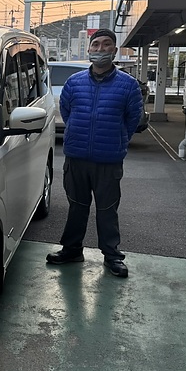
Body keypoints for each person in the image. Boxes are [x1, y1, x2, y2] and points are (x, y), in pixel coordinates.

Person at [46, 28, 144, 278]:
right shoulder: (74, 82)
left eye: (106, 44)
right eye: (96, 44)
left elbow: (132, 119)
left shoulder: (128, 85)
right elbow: (66, 112)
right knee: (76, 207)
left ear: (115, 50)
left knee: (107, 209)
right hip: (76, 157)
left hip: (108, 160)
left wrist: (117, 141)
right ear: (89, 49)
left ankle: (112, 256)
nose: (101, 49)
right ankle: (71, 250)